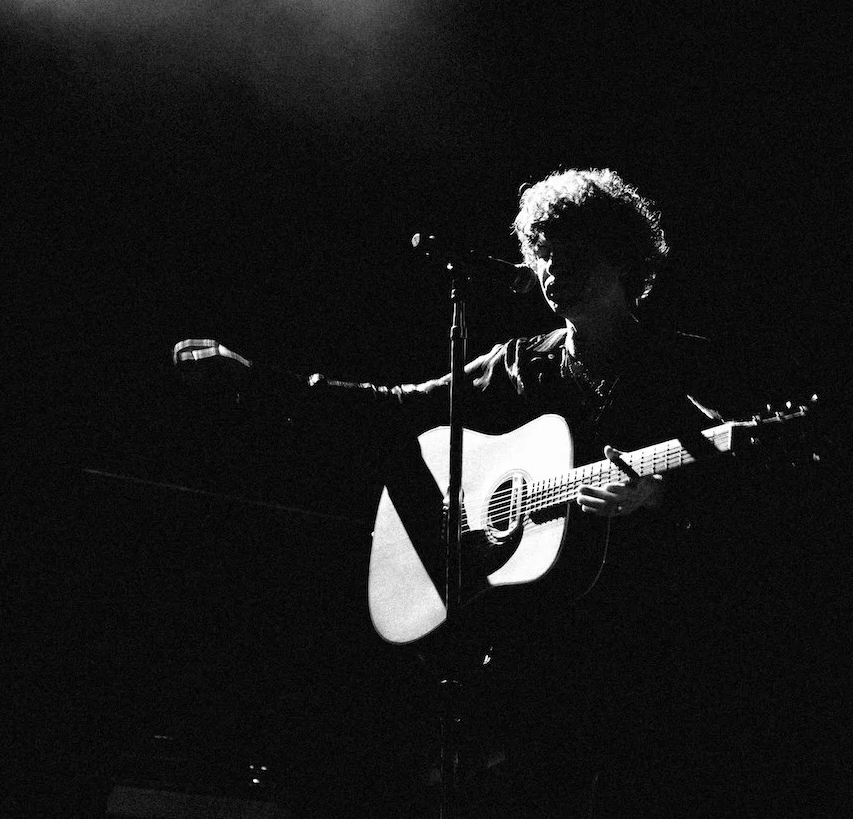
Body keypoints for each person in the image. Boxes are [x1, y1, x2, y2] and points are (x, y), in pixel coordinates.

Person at [175, 168, 767, 816]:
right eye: (540, 251)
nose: (549, 266)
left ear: (621, 257)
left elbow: (749, 500)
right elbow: (394, 411)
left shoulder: (682, 368)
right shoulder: (515, 364)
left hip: (654, 659)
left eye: (569, 250)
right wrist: (258, 382)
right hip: (533, 659)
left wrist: (658, 501)